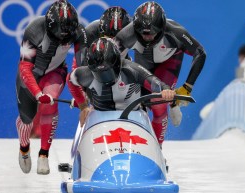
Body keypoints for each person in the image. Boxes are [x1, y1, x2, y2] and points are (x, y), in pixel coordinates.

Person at [115, 1, 206, 146]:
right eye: (143, 33)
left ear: (162, 28)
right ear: (135, 28)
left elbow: (200, 53)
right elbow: (110, 61)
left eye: (152, 33)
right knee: (133, 100)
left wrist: (188, 87)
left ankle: (157, 146)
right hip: (142, 65)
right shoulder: (126, 35)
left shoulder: (176, 32)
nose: (147, 37)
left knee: (158, 102)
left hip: (169, 64)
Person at [15, 0, 87, 175]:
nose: (63, 38)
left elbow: (83, 65)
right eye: (58, 34)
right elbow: (25, 68)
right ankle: (24, 148)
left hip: (55, 72)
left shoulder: (78, 31)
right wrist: (38, 94)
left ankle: (43, 154)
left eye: (66, 35)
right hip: (30, 73)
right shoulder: (33, 30)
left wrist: (83, 96)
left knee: (51, 101)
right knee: (27, 119)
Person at [68, 38, 176, 127]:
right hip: (99, 119)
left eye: (107, 71)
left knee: (159, 103)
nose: (104, 77)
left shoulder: (132, 69)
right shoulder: (84, 74)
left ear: (117, 63)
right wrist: (83, 106)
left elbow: (154, 82)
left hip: (133, 117)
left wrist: (166, 89)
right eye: (98, 72)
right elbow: (70, 80)